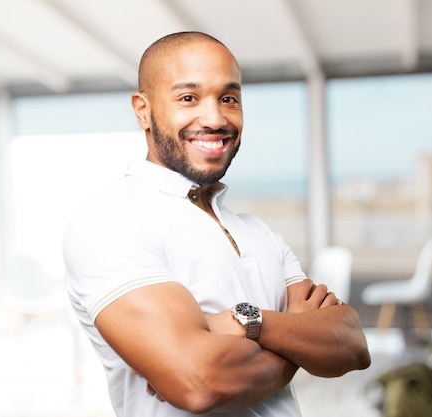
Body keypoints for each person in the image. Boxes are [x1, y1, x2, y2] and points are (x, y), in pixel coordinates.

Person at [63, 31, 371, 417]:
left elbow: (351, 344)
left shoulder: (257, 232)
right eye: (188, 98)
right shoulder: (111, 223)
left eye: (229, 99)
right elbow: (201, 382)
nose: (215, 119)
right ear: (143, 109)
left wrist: (247, 324)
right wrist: (298, 341)